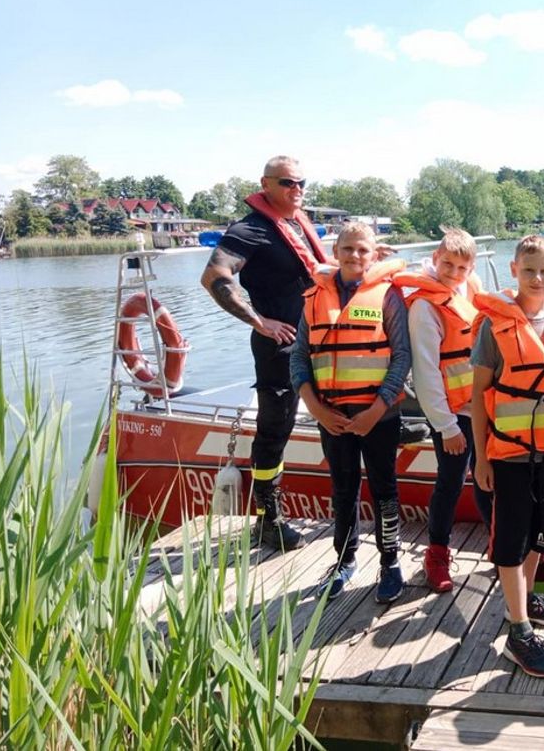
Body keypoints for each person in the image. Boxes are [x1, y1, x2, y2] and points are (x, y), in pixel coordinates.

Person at [200, 155, 329, 551]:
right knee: (276, 429)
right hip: (279, 346)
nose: (297, 190)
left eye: (302, 183)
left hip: (318, 339)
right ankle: (268, 519)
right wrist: (259, 321)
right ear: (266, 184)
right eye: (288, 183)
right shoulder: (250, 230)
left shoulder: (297, 225)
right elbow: (214, 277)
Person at [471, 235, 544, 679]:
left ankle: (528, 600)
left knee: (542, 533)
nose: (538, 278)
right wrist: (481, 458)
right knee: (512, 543)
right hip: (511, 455)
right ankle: (518, 630)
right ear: (514, 270)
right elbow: (479, 398)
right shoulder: (493, 327)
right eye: (529, 269)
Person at [291, 222, 411, 603]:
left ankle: (390, 562)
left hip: (379, 417)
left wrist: (377, 409)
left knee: (384, 489)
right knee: (342, 490)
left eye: (363, 250)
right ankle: (344, 560)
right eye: (348, 249)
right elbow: (299, 356)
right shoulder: (313, 298)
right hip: (332, 417)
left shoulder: (389, 297)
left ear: (375, 254)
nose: (355, 256)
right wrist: (315, 409)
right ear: (335, 252)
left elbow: (402, 356)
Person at [394, 228, 493, 593]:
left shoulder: (472, 286)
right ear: (435, 259)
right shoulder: (424, 306)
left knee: (490, 478)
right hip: (452, 413)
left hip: (483, 405)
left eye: (462, 266)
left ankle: (501, 548)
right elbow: (425, 371)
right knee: (451, 482)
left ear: (472, 267)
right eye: (447, 264)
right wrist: (446, 425)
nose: (454, 272)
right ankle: (436, 554)